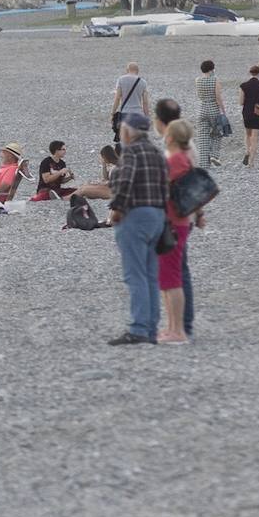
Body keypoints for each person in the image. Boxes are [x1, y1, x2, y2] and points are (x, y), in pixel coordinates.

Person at [107, 114, 169, 346]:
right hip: (156, 216)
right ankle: (151, 328)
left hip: (135, 216)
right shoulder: (157, 153)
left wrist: (117, 209)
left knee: (135, 275)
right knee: (151, 275)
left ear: (128, 131)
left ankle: (139, 328)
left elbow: (125, 182)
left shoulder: (131, 152)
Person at [152, 100, 196, 340]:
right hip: (178, 218)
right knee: (170, 276)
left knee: (173, 276)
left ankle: (178, 329)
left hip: (173, 220)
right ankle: (173, 327)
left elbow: (161, 187)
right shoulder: (184, 156)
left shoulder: (176, 160)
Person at [195, 60, 227, 168]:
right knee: (217, 133)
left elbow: (199, 95)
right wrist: (223, 110)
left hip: (202, 109)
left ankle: (204, 163)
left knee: (203, 136)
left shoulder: (198, 80)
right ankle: (214, 155)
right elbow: (218, 97)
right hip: (213, 108)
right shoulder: (215, 80)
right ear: (212, 69)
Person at [239, 64, 259, 167]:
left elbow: (241, 102)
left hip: (247, 111)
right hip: (258, 112)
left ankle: (247, 151)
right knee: (255, 137)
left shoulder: (243, 86)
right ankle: (251, 162)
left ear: (250, 73)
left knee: (247, 134)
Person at [111, 62, 149, 142]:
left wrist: (112, 113)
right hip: (138, 114)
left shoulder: (121, 80)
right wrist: (147, 117)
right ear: (138, 70)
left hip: (125, 113)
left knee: (125, 140)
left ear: (127, 70)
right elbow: (145, 102)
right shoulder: (143, 82)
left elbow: (117, 98)